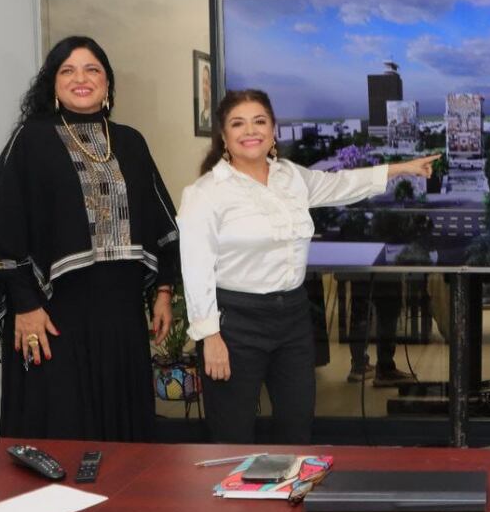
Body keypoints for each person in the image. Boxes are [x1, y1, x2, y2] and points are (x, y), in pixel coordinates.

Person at [178, 89, 438, 444]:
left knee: (297, 429)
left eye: (260, 121)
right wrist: (210, 337)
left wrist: (401, 169)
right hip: (234, 323)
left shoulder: (290, 176)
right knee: (232, 434)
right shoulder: (206, 193)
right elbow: (196, 268)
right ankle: (234, 498)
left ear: (273, 131)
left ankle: (290, 496)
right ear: (224, 136)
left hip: (293, 319)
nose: (250, 131)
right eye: (238, 124)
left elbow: (341, 184)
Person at [0, 35, 180, 441]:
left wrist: (165, 290)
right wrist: (25, 305)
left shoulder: (131, 142)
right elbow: (4, 229)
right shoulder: (30, 140)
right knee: (63, 429)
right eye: (67, 70)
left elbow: (161, 222)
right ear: (52, 83)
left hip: (120, 317)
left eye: (92, 69)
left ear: (107, 84)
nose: (80, 78)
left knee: (123, 440)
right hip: (52, 316)